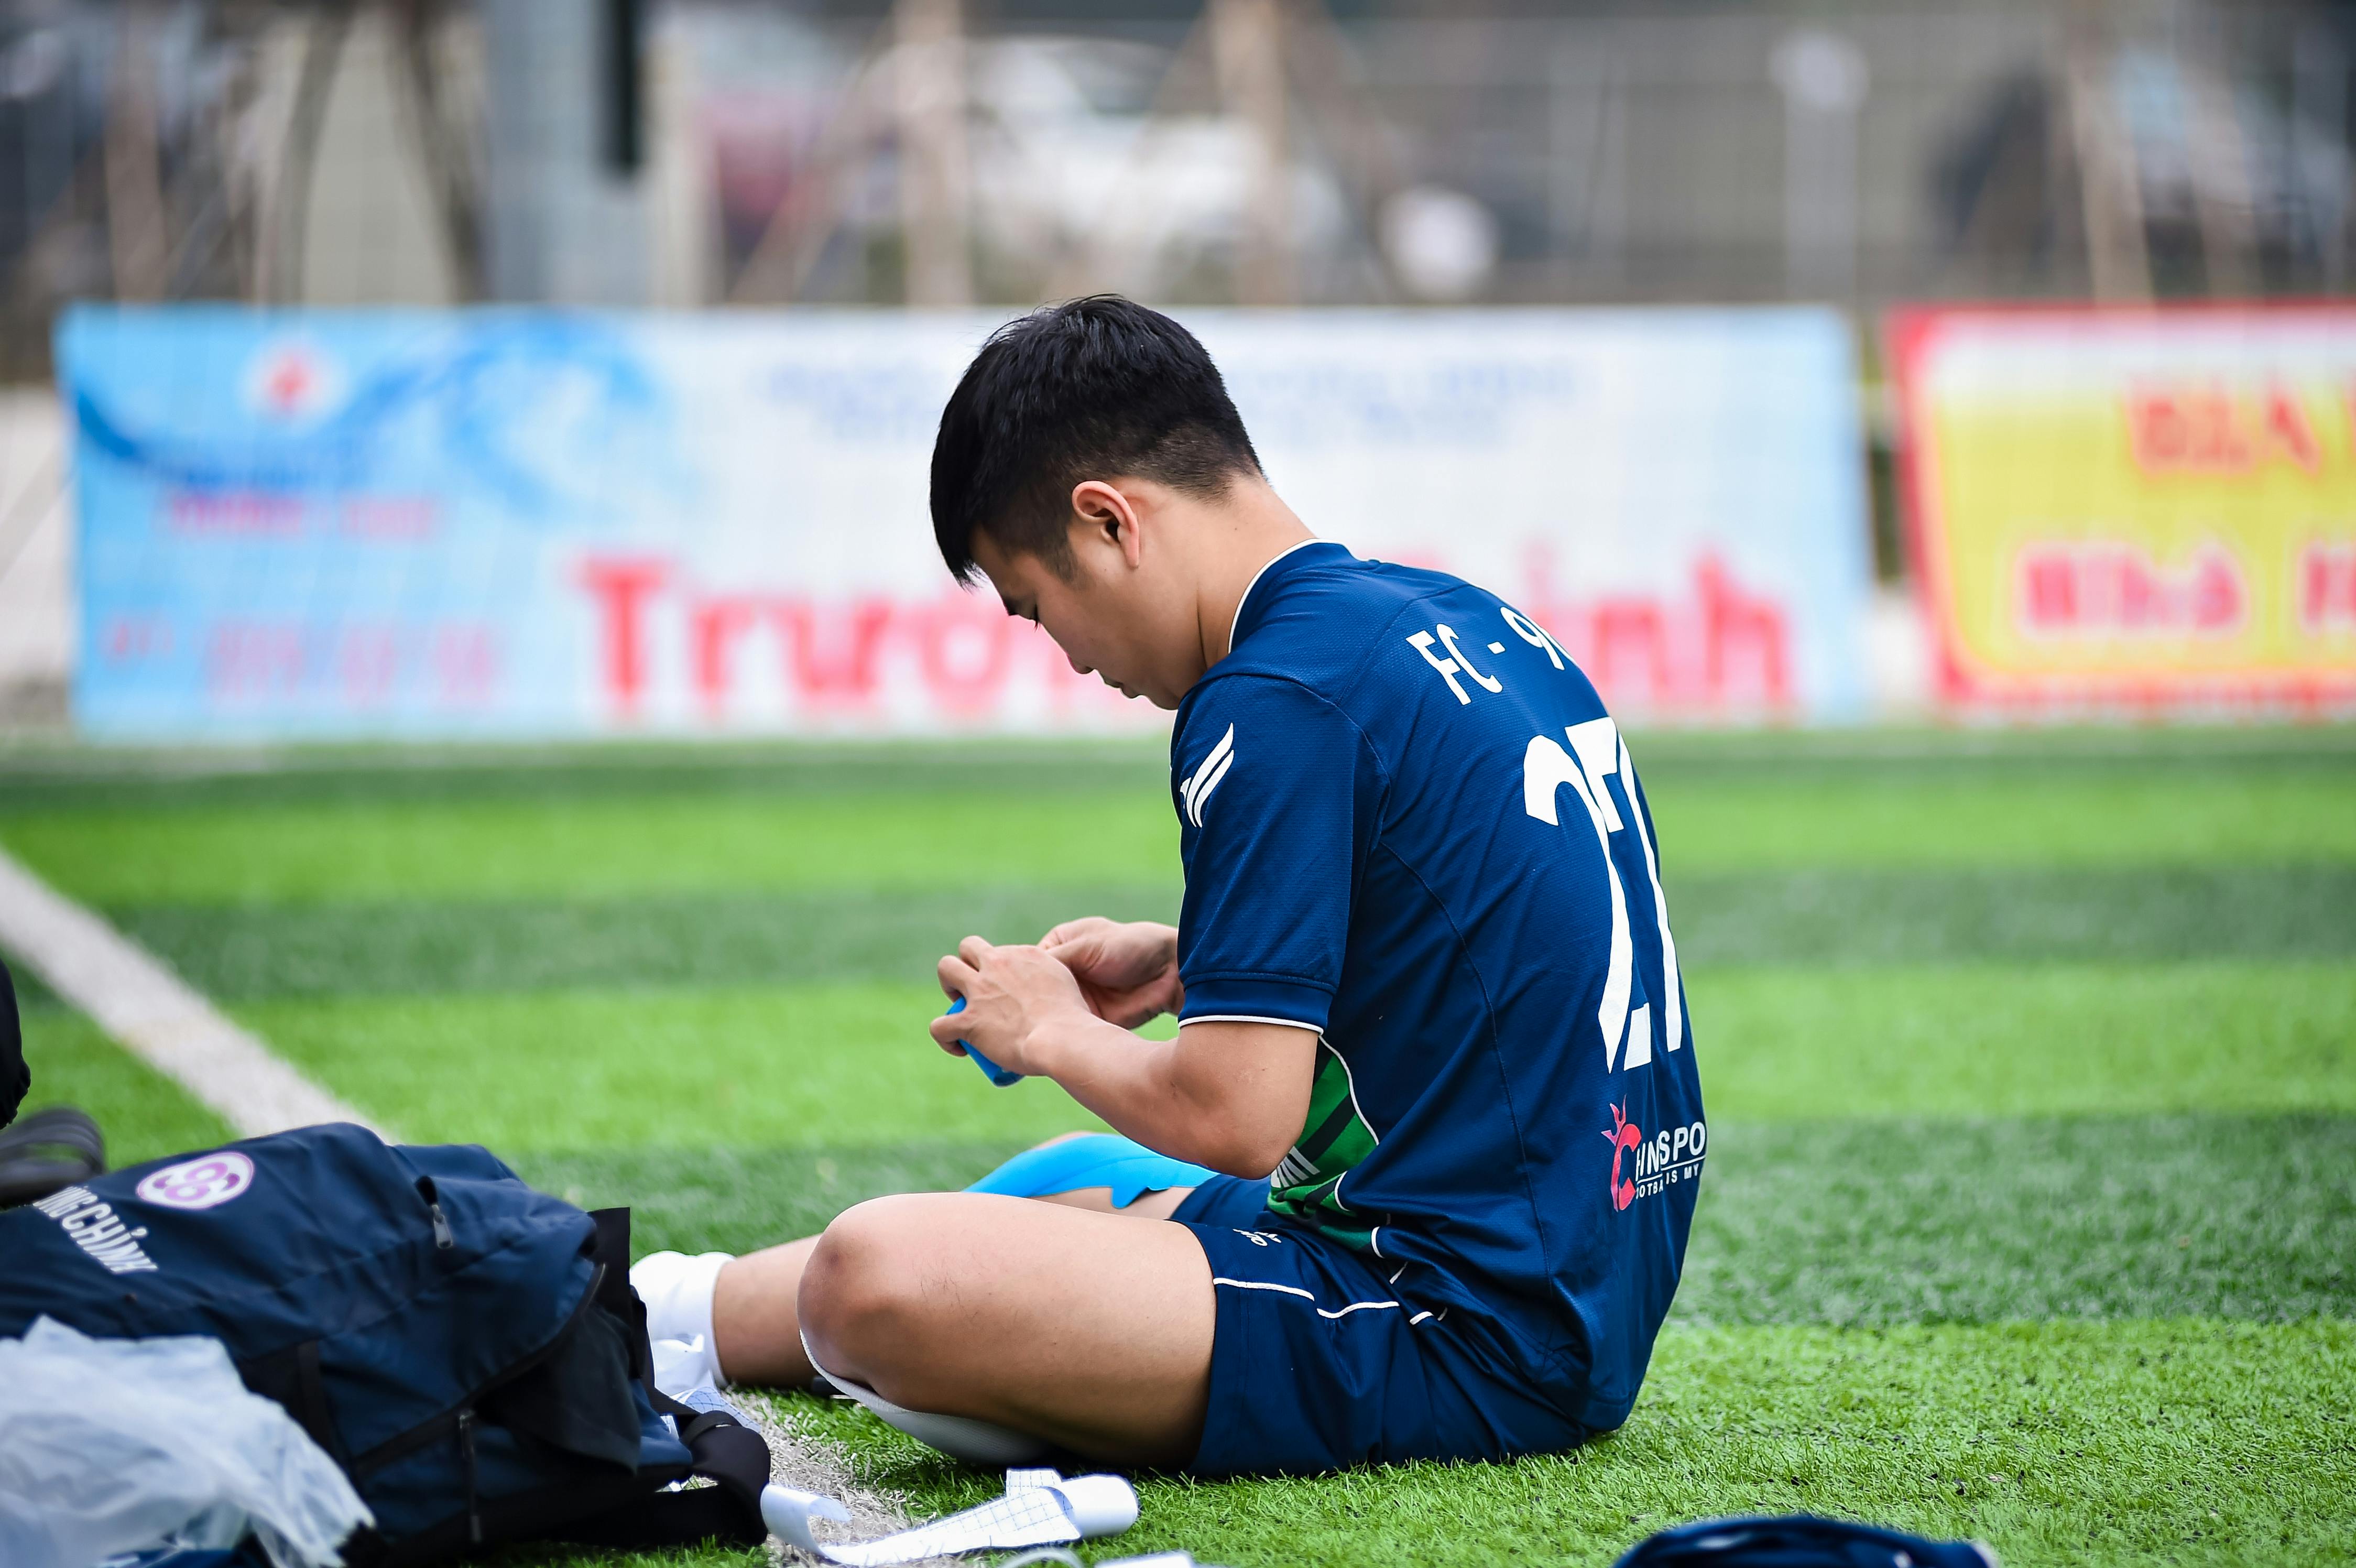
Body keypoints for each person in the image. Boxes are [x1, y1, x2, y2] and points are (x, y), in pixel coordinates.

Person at [631, 296, 1705, 1476]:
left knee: (874, 1275)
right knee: (1057, 1183)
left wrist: (1047, 1028)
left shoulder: (1268, 695)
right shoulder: (1465, 618)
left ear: (1106, 519)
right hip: (1580, 1270)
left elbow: (1236, 1123)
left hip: (1464, 1321)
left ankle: (623, 1317)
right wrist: (1200, 958)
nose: (1072, 655)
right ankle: (645, 1311)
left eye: (1041, 607)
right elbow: (1470, 913)